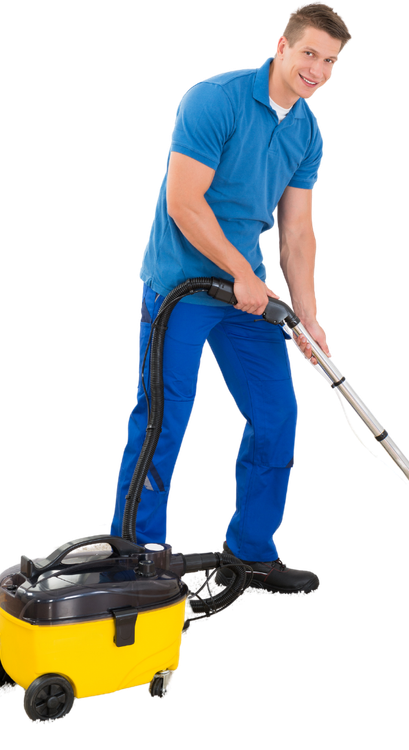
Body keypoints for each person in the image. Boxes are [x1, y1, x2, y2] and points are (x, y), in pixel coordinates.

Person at [110, 2, 352, 594]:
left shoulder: (305, 131)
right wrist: (245, 273)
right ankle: (134, 556)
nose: (317, 70)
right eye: (309, 54)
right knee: (163, 421)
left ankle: (251, 553)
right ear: (282, 47)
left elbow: (296, 232)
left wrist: (311, 321)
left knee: (277, 419)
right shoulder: (211, 100)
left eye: (330, 62)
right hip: (182, 289)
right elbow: (184, 203)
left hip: (244, 298)